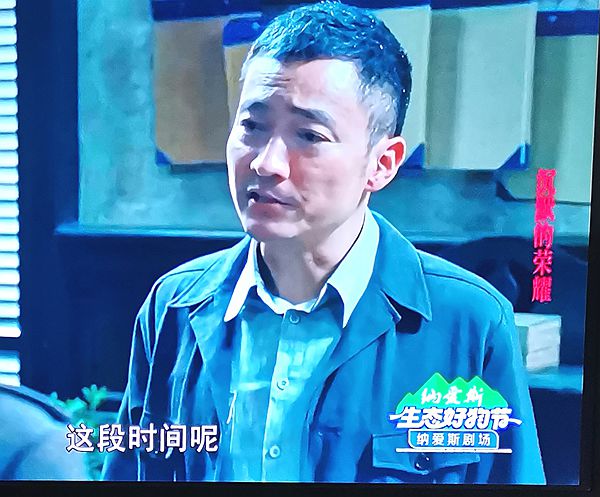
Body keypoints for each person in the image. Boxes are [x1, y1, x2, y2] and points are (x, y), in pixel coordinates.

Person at [102, 1, 545, 483]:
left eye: (309, 135)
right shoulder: (174, 307)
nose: (266, 162)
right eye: (252, 126)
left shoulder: (469, 322)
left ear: (382, 164)